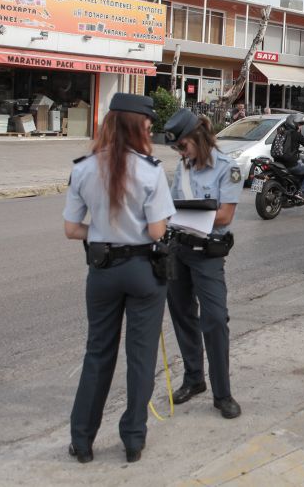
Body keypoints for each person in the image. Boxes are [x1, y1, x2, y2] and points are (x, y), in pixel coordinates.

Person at [62, 93, 176, 464]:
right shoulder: (150, 170)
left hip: (102, 271)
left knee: (97, 354)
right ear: (136, 127)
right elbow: (158, 231)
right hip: (143, 271)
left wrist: (101, 230)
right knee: (141, 358)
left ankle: (81, 440)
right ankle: (132, 439)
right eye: (147, 125)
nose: (150, 130)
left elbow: (70, 229)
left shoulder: (83, 167)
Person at [162, 108, 243, 419]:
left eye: (182, 146)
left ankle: (222, 394)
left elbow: (224, 216)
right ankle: (194, 379)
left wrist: (178, 216)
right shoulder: (183, 168)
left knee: (215, 320)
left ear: (198, 137)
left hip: (207, 255)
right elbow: (169, 207)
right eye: (176, 148)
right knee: (183, 317)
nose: (180, 152)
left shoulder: (226, 168)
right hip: (177, 250)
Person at [271, 113, 304, 201]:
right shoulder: (296, 135)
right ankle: (300, 192)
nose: (301, 127)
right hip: (290, 164)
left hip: (277, 162)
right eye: (300, 124)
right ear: (294, 124)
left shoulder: (281, 132)